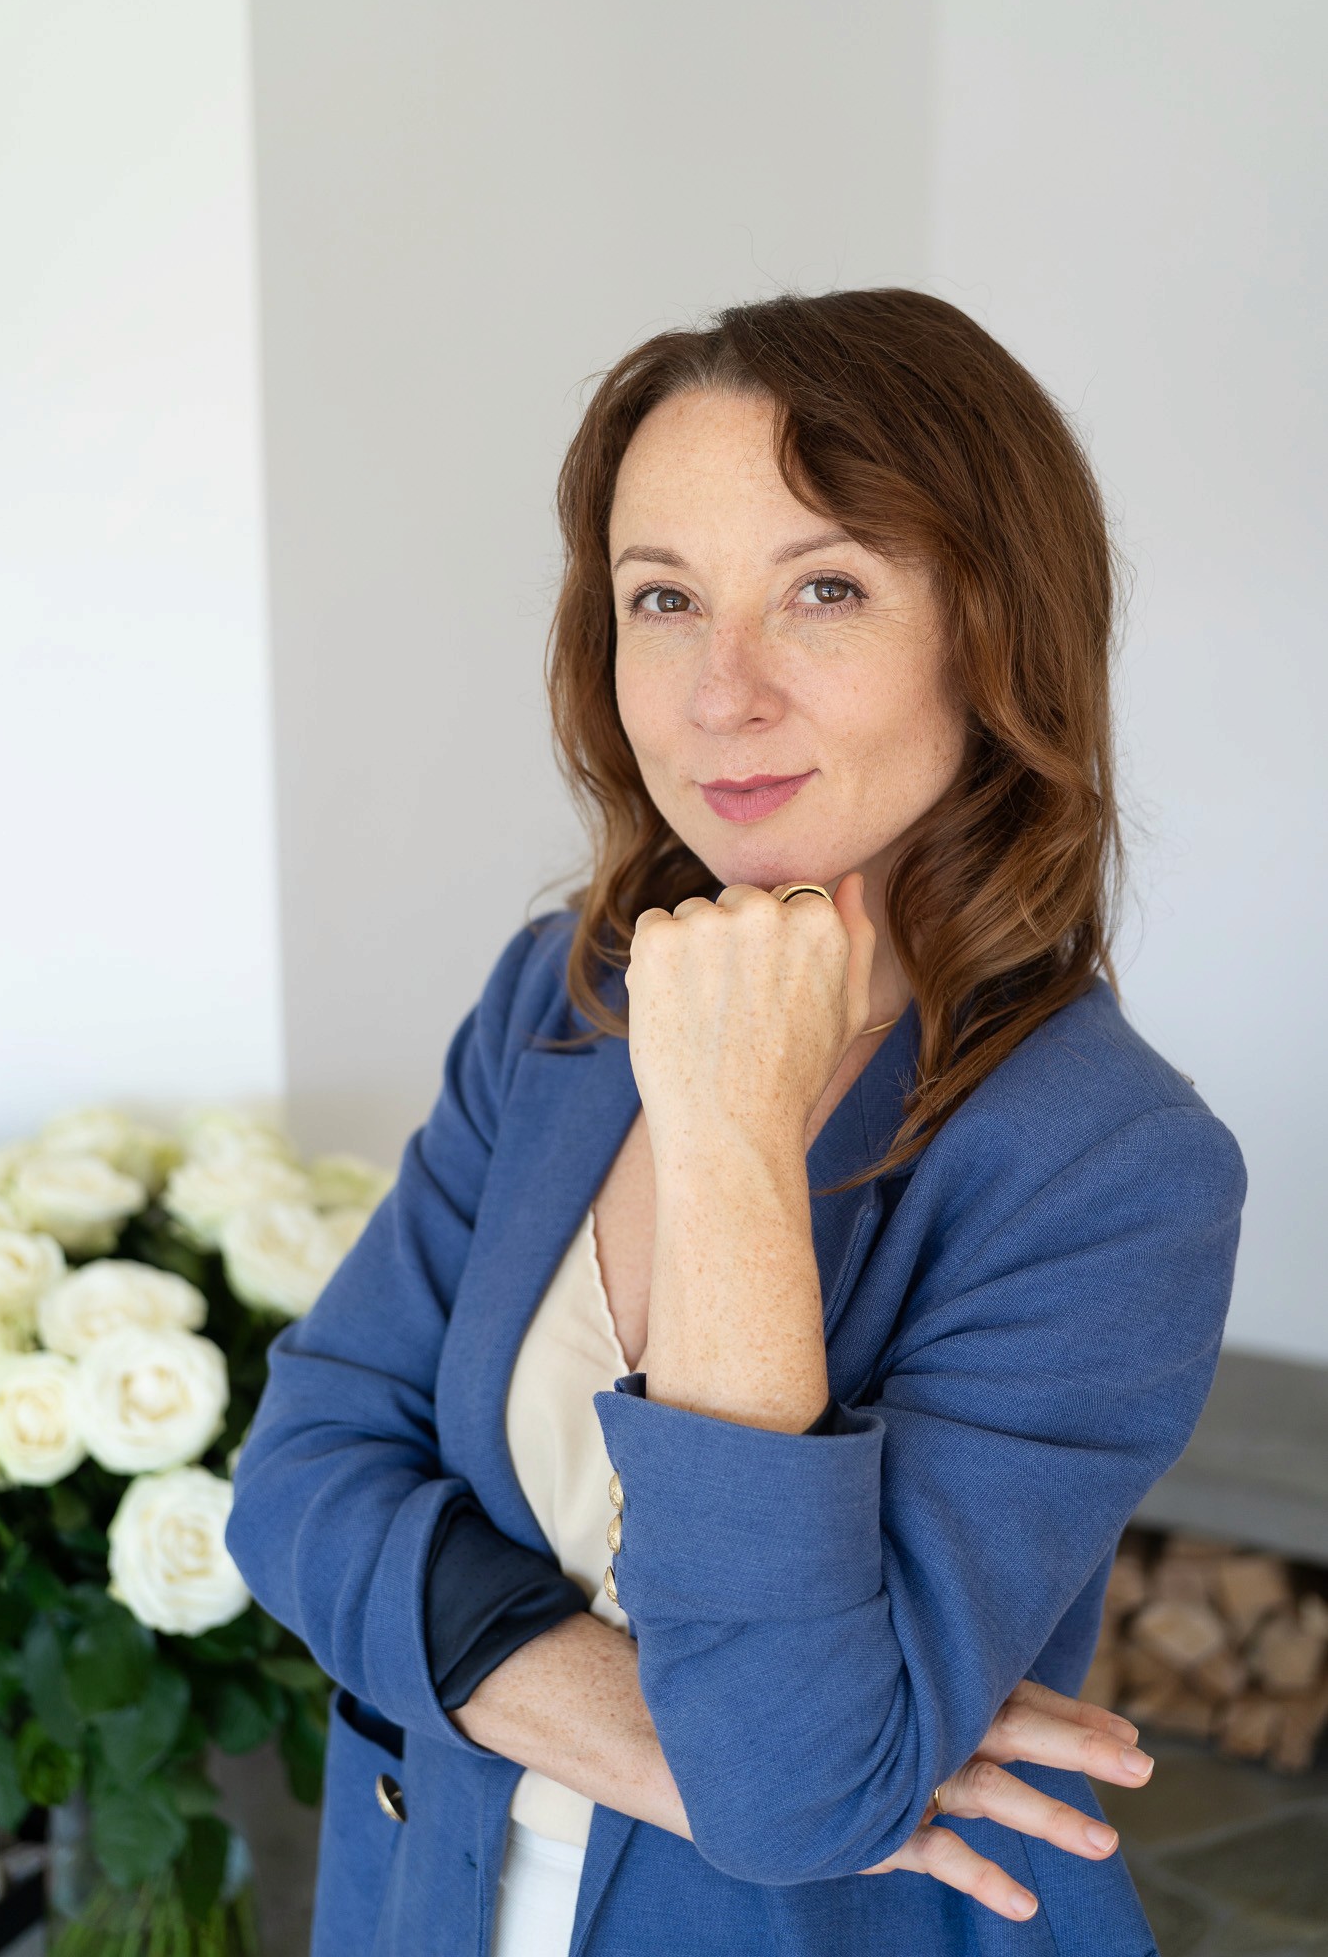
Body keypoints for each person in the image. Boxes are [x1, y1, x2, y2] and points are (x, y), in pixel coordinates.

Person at [225, 287, 1246, 1957]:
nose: (719, 693)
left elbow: (788, 1802)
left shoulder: (1111, 1170)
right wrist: (640, 1731)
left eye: (824, 589)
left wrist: (724, 1139)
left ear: (995, 636)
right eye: (662, 600)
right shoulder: (554, 1002)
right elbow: (295, 1479)